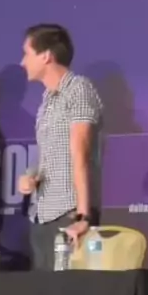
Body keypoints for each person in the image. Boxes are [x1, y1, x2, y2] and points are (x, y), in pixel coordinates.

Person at [18, 24, 103, 270]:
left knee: (66, 290)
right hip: (42, 213)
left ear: (46, 56)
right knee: (43, 290)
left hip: (69, 214)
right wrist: (30, 175)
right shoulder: (47, 99)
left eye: (27, 54)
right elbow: (50, 153)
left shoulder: (79, 89)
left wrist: (83, 217)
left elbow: (81, 153)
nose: (22, 62)